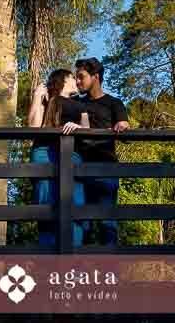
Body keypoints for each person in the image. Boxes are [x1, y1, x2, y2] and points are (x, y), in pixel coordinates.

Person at [27, 69, 86, 249]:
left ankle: (73, 255)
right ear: (63, 80)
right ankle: (47, 255)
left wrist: (77, 126)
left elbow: (87, 127)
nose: (76, 80)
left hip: (72, 153)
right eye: (72, 77)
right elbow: (33, 126)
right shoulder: (48, 100)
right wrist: (37, 97)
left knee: (74, 200)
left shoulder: (79, 103)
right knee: (45, 197)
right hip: (44, 151)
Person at [73, 57, 129, 247]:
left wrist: (123, 125)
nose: (77, 81)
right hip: (80, 170)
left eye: (81, 77)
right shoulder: (76, 103)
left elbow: (124, 125)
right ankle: (80, 273)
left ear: (95, 77)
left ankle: (110, 270)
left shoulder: (114, 103)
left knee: (108, 222)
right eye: (76, 78)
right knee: (82, 224)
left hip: (106, 169)